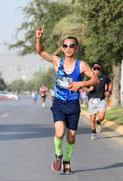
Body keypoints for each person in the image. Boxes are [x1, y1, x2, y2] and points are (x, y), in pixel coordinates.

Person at [36, 25, 99, 174]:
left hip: (73, 105)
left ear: (76, 48)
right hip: (58, 102)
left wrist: (81, 83)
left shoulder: (81, 65)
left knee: (71, 137)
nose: (68, 48)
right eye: (66, 46)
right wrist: (38, 38)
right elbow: (40, 51)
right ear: (63, 48)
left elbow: (95, 80)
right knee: (59, 133)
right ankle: (58, 155)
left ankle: (67, 161)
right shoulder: (57, 62)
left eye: (72, 46)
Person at [86, 63, 111, 140]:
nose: (96, 70)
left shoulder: (104, 77)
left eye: (98, 69)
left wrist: (108, 91)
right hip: (92, 100)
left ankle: (99, 122)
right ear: (92, 69)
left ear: (100, 69)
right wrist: (89, 90)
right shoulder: (89, 78)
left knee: (102, 116)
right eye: (95, 69)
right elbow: (85, 89)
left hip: (101, 99)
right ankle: (94, 133)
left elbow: (110, 83)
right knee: (92, 118)